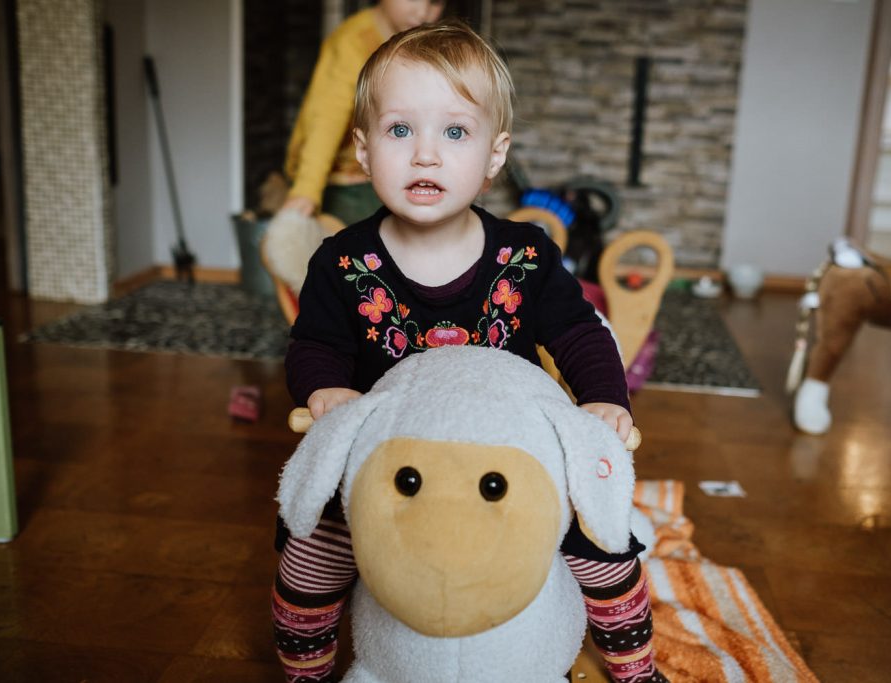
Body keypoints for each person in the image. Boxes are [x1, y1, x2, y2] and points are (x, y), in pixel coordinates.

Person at [273, 21, 667, 683]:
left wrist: (604, 398)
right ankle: (305, 670)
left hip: (507, 462)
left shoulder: (526, 256)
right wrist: (325, 391)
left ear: (493, 155)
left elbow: (579, 332)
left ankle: (634, 665)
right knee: (309, 544)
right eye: (401, 131)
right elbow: (312, 343)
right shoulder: (342, 262)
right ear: (364, 151)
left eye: (454, 132)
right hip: (391, 466)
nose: (425, 154)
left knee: (605, 538)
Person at [282, 0, 445, 224]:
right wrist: (306, 189)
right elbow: (327, 119)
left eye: (436, 2)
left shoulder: (420, 44)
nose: (423, 11)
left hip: (387, 169)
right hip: (341, 178)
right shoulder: (353, 42)